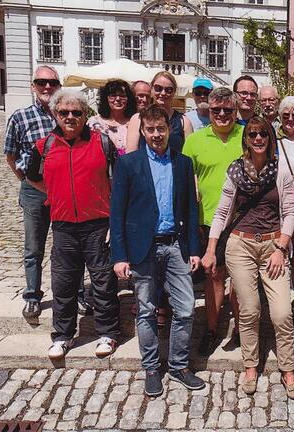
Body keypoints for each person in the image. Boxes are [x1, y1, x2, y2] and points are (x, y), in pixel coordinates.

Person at [202, 117, 294, 399]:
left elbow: (290, 212)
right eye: (253, 134)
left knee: (282, 312)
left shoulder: (280, 170)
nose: (258, 139)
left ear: (270, 138)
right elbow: (222, 213)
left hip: (273, 246)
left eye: (263, 134)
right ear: (246, 139)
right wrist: (211, 249)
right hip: (241, 246)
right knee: (249, 309)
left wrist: (282, 247)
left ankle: (287, 368)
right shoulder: (235, 170)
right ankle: (250, 365)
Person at [110, 104, 206, 396]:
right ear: (142, 131)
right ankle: (152, 367)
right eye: (150, 130)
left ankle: (178, 365)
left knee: (186, 308)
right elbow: (117, 213)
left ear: (169, 129)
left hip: (175, 246)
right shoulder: (128, 164)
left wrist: (193, 249)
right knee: (146, 311)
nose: (156, 134)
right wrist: (119, 256)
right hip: (143, 249)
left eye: (160, 129)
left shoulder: (183, 163)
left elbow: (191, 209)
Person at [24, 89, 120, 360]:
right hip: (64, 225)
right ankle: (63, 336)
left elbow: (118, 179)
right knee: (64, 284)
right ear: (55, 114)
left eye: (76, 112)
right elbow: (31, 176)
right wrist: (55, 193)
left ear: (85, 115)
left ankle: (108, 333)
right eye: (64, 112)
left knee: (103, 281)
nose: (70, 117)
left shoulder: (102, 143)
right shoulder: (45, 146)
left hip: (98, 224)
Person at [183, 87, 243, 355]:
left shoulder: (247, 136)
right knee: (214, 276)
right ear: (208, 110)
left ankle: (242, 330)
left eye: (227, 110)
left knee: (242, 280)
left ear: (236, 111)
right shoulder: (195, 140)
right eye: (215, 110)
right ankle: (211, 328)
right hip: (209, 220)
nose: (221, 114)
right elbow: (186, 181)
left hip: (244, 220)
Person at [3, 65, 61, 321]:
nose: (46, 87)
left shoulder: (66, 114)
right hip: (35, 192)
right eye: (41, 82)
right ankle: (32, 296)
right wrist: (27, 180)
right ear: (33, 85)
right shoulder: (20, 117)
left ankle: (75, 293)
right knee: (34, 247)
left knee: (67, 247)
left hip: (63, 192)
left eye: (51, 83)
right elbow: (10, 155)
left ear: (58, 86)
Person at [126, 71, 186, 154]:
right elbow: (130, 156)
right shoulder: (137, 119)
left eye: (168, 90)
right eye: (158, 88)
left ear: (174, 92)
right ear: (151, 89)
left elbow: (187, 158)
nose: (163, 93)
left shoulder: (184, 122)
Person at [88, 79, 136, 155]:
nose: (118, 99)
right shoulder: (95, 122)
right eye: (113, 95)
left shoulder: (134, 123)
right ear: (105, 98)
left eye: (122, 96)